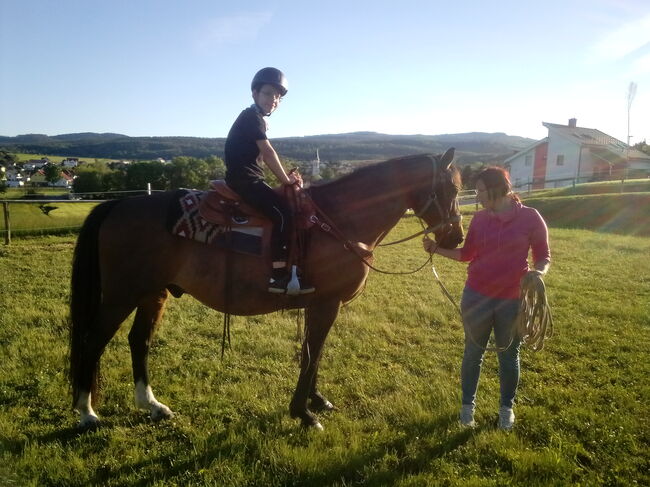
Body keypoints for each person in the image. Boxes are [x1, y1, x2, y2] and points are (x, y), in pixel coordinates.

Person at [423, 166, 550, 430]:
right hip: (476, 297)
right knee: (473, 354)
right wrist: (436, 248)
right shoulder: (480, 219)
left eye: (481, 190)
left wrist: (538, 272)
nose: (478, 196)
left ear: (498, 189)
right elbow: (467, 254)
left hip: (512, 300)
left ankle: (506, 408)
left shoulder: (531, 217)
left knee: (509, 355)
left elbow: (543, 255)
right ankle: (467, 408)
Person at [224, 67, 314, 295]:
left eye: (277, 97)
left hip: (248, 178)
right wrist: (285, 180)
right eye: (267, 93)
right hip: (245, 181)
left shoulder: (254, 118)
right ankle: (277, 276)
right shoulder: (251, 117)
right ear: (255, 94)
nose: (273, 100)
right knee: (283, 214)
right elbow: (268, 151)